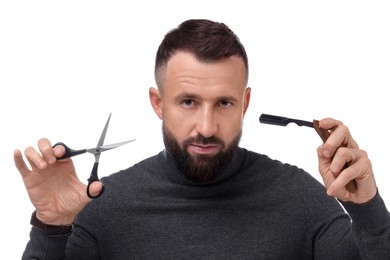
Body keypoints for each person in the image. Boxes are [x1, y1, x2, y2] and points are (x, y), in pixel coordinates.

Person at [14, 19, 389, 259]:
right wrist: (51, 226)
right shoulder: (100, 210)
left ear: (244, 103)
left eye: (224, 102)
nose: (206, 127)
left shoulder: (301, 198)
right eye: (188, 102)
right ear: (158, 104)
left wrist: (368, 208)